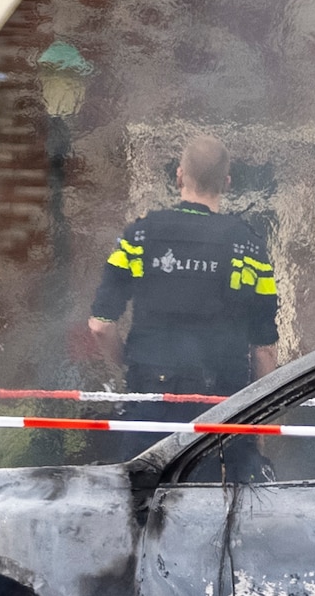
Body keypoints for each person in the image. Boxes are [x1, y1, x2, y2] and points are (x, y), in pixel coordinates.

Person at [88, 133, 279, 408]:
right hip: (221, 408)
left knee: (151, 455)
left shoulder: (139, 237)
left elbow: (100, 326)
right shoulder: (249, 247)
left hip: (149, 398)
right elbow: (264, 350)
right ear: (226, 183)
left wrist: (132, 367)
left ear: (179, 176)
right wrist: (256, 428)